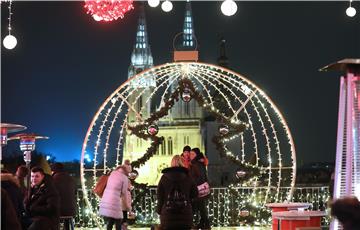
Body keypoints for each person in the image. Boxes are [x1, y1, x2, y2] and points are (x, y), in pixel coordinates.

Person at [157, 155, 198, 230]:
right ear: (182, 163)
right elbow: (195, 194)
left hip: (167, 216)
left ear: (172, 163)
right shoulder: (189, 177)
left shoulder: (164, 178)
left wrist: (159, 211)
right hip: (186, 215)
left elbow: (160, 196)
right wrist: (193, 210)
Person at [99, 163, 132, 230]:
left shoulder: (113, 173)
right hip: (115, 201)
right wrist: (128, 207)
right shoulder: (124, 178)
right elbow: (124, 193)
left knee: (111, 220)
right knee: (118, 220)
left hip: (106, 199)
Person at [51, 162, 76, 230]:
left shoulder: (53, 179)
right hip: (72, 210)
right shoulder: (70, 178)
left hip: (59, 211)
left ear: (54, 170)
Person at [190, 148, 211, 230]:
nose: (190, 155)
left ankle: (205, 225)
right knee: (200, 208)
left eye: (192, 154)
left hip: (198, 189)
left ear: (196, 155)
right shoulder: (198, 163)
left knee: (200, 208)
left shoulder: (197, 164)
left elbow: (200, 177)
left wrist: (193, 183)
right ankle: (202, 224)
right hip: (199, 189)